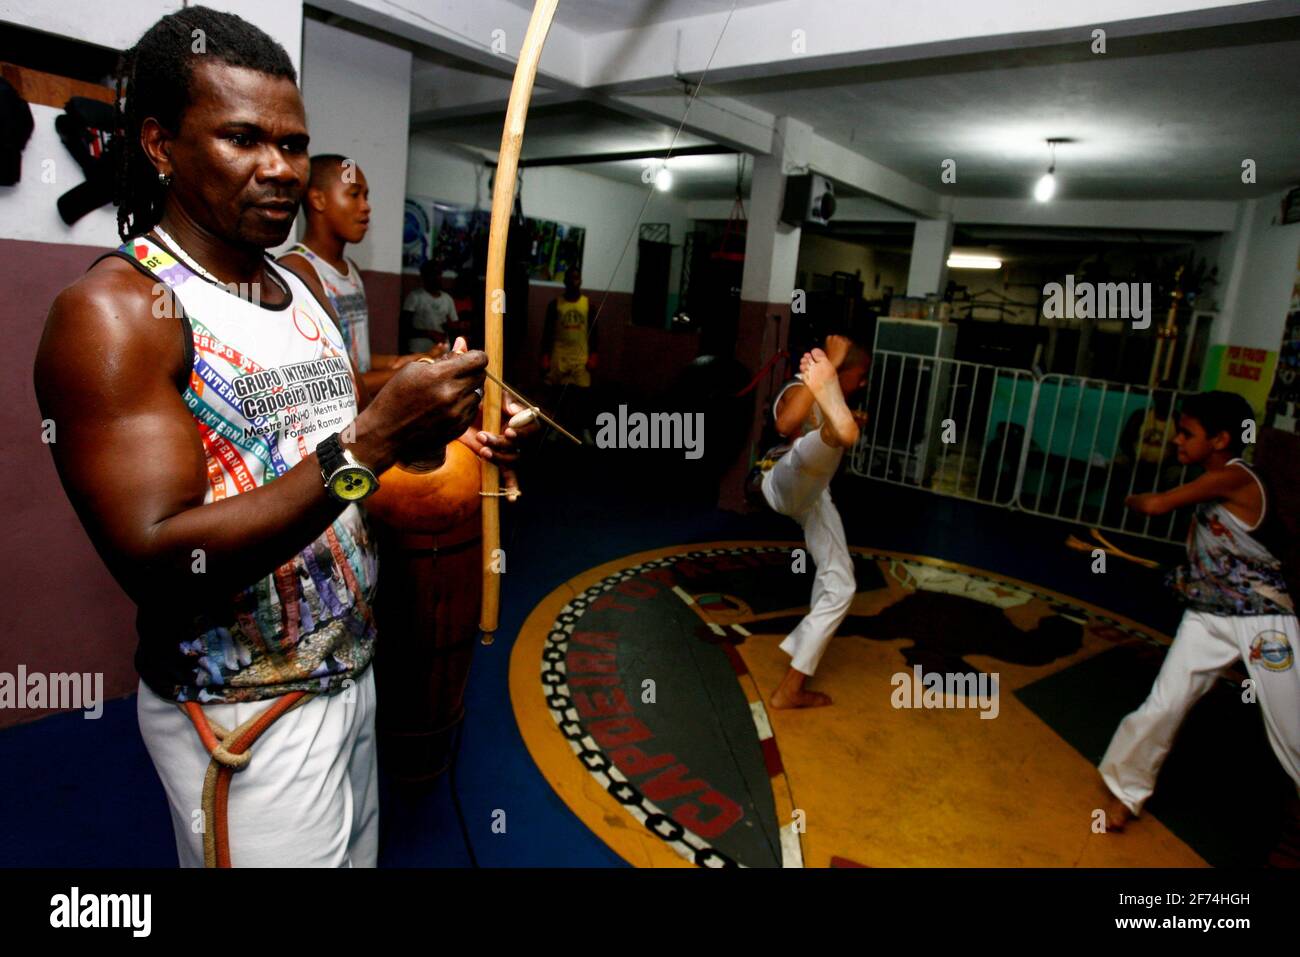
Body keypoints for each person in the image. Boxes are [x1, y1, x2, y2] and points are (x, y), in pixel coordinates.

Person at [32, 6, 536, 868]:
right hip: (241, 711)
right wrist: (369, 446)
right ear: (159, 145)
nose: (279, 170)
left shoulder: (293, 287)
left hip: (349, 674)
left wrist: (444, 422)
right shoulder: (115, 314)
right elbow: (156, 557)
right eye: (241, 139)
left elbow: (320, 431)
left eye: (294, 145)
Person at [1099, 390, 1299, 830]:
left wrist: (1129, 497)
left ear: (1220, 440)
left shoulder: (1235, 477)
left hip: (1263, 620)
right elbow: (1205, 549)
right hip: (1208, 616)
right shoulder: (1211, 490)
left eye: (1187, 434)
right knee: (1163, 705)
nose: (1176, 440)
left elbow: (1154, 505)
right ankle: (1125, 793)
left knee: (1291, 726)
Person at [758, 335, 870, 709]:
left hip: (813, 496)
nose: (865, 383)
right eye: (861, 375)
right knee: (810, 452)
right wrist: (831, 366)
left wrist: (848, 419)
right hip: (779, 477)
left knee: (841, 584)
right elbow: (785, 423)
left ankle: (790, 688)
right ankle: (832, 432)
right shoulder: (796, 386)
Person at [541, 266, 598, 440]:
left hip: (581, 357)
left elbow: (595, 333)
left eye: (576, 278)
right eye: (570, 278)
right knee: (557, 396)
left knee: (583, 397)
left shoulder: (588, 305)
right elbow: (547, 334)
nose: (574, 282)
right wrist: (544, 357)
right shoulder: (555, 304)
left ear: (580, 281)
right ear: (565, 281)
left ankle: (585, 429)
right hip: (560, 357)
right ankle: (555, 428)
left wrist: (594, 356)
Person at [400, 261, 458, 354]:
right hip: (418, 350)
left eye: (438, 274)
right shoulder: (415, 297)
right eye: (432, 274)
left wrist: (449, 327)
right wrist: (430, 333)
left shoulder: (447, 299)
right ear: (424, 277)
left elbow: (454, 325)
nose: (436, 278)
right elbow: (405, 328)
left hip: (441, 350)